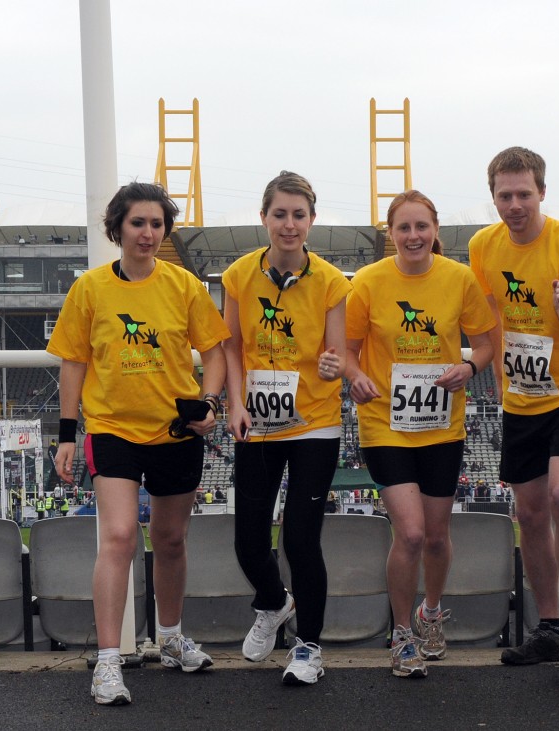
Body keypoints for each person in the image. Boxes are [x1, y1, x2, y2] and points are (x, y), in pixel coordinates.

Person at [48, 181, 229, 706]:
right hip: (113, 429)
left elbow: (214, 352)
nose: (147, 233)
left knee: (170, 540)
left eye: (156, 224)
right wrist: (66, 434)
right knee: (120, 536)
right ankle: (108, 661)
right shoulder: (90, 289)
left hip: (174, 431)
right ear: (118, 228)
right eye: (137, 223)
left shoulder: (185, 286)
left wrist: (209, 402)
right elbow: (74, 362)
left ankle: (170, 638)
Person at [469, 147, 559, 688]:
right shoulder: (483, 247)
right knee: (528, 513)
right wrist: (490, 370)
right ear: (493, 197)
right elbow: (489, 318)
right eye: (504, 195)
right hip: (523, 395)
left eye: (524, 194)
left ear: (543, 193)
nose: (514, 205)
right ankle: (548, 627)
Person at [345, 190, 495, 678]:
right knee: (409, 533)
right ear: (390, 233)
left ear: (435, 230)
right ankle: (402, 633)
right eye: (403, 228)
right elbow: (346, 350)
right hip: (385, 423)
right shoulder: (368, 282)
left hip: (441, 424)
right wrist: (355, 376)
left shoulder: (459, 278)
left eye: (421, 226)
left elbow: (486, 344)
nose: (413, 236)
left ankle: (431, 612)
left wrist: (469, 367)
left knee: (435, 535)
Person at [223, 171, 351, 686]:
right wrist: (234, 402)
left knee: (300, 540)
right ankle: (274, 602)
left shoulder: (332, 281)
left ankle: (309, 647)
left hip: (314, 424)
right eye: (280, 214)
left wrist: (332, 367)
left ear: (312, 220)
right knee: (248, 540)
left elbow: (336, 355)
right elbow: (231, 346)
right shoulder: (238, 276)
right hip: (257, 422)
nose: (289, 224)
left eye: (299, 215)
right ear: (264, 218)